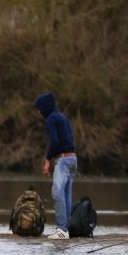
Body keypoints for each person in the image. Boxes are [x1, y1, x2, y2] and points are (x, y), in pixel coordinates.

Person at [35, 92, 77, 239]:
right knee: (66, 194)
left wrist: (47, 160)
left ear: (45, 107)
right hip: (73, 159)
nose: (38, 111)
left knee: (57, 192)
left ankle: (61, 230)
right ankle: (65, 229)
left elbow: (55, 141)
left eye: (39, 108)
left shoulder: (51, 119)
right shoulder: (63, 117)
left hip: (63, 160)